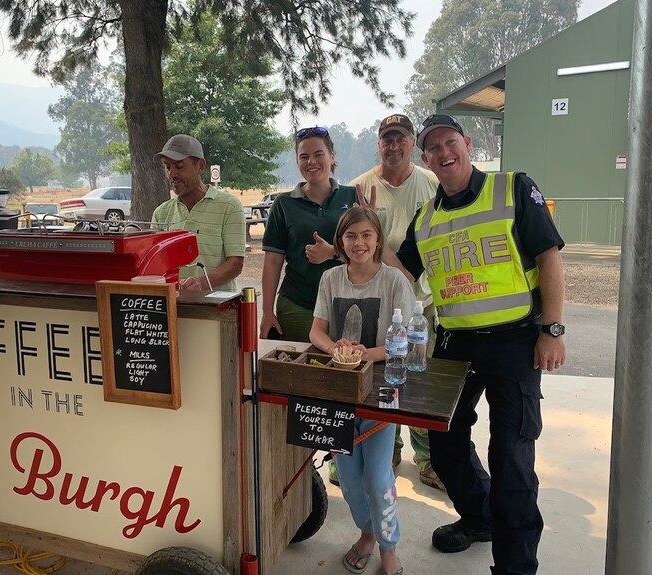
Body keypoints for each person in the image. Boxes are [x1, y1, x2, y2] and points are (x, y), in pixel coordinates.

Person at [379, 113, 566, 575]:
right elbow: (404, 275)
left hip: (515, 343)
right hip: (455, 343)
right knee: (444, 445)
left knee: (512, 459)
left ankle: (516, 567)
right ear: (426, 158)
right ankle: (479, 517)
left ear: (466, 142)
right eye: (434, 148)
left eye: (450, 143)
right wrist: (367, 233)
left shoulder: (513, 190)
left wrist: (553, 329)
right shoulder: (426, 219)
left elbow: (549, 258)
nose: (444, 153)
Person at [309, 206, 415, 575]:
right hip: (340, 391)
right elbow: (316, 331)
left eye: (366, 235)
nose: (359, 243)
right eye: (351, 236)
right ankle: (366, 533)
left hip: (380, 391)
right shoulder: (331, 279)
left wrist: (365, 354)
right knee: (349, 477)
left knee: (378, 476)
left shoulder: (394, 282)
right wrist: (335, 350)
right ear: (340, 242)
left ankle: (389, 545)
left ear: (378, 239)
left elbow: (403, 340)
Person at [349, 113, 443, 491]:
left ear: (412, 143)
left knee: (420, 380)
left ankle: (428, 458)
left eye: (401, 138)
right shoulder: (360, 187)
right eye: (387, 139)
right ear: (379, 144)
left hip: (424, 303)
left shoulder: (432, 183)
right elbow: (355, 247)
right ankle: (387, 446)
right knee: (382, 379)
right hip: (382, 301)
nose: (394, 145)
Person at [259, 126, 357, 341]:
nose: (311, 161)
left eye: (318, 154)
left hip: (347, 305)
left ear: (332, 157)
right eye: (304, 156)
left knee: (345, 367)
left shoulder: (353, 197)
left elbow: (367, 252)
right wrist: (267, 311)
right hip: (297, 305)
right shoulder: (283, 204)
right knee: (299, 370)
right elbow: (273, 261)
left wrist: (332, 252)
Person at [152, 134, 245, 291]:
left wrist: (202, 283)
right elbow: (156, 264)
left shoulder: (229, 206)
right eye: (168, 167)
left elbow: (235, 264)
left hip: (217, 310)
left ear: (200, 166)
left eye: (179, 166)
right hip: (174, 306)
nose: (172, 174)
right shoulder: (161, 213)